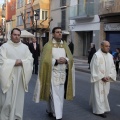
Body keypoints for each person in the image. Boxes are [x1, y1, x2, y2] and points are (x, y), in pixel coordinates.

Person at [35, 27, 74, 120]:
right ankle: (58, 115)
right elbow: (44, 60)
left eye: (60, 32)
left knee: (58, 94)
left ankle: (50, 110)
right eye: (57, 32)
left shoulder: (65, 45)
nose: (59, 34)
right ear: (53, 34)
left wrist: (66, 60)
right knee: (55, 95)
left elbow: (71, 58)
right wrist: (55, 61)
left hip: (63, 74)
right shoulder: (48, 46)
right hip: (52, 73)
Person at [0, 28, 33, 120]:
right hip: (8, 76)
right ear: (11, 35)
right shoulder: (4, 47)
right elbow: (1, 61)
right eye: (15, 35)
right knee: (6, 100)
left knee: (18, 99)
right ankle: (4, 117)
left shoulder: (25, 47)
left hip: (20, 77)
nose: (17, 37)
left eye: (18, 35)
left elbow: (30, 60)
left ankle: (16, 117)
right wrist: (14, 62)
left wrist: (22, 62)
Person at [90, 41, 116, 118]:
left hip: (107, 79)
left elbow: (113, 67)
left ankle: (103, 108)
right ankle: (98, 111)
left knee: (105, 94)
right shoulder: (96, 55)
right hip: (98, 79)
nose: (108, 47)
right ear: (101, 46)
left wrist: (109, 76)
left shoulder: (110, 56)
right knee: (98, 95)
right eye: (106, 46)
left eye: (109, 46)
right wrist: (102, 77)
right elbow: (94, 67)